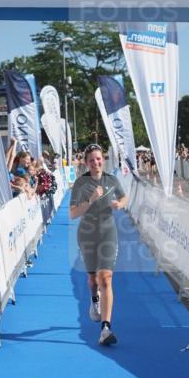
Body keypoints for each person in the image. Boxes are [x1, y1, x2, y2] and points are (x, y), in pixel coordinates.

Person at [69, 144, 128, 346]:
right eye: (92, 160)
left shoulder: (111, 180)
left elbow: (123, 196)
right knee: (93, 281)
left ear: (103, 159)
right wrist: (92, 200)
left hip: (108, 232)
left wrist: (121, 204)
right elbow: (73, 213)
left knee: (106, 278)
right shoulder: (80, 183)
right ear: (86, 163)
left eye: (99, 158)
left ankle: (105, 328)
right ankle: (94, 300)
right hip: (87, 234)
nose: (96, 162)